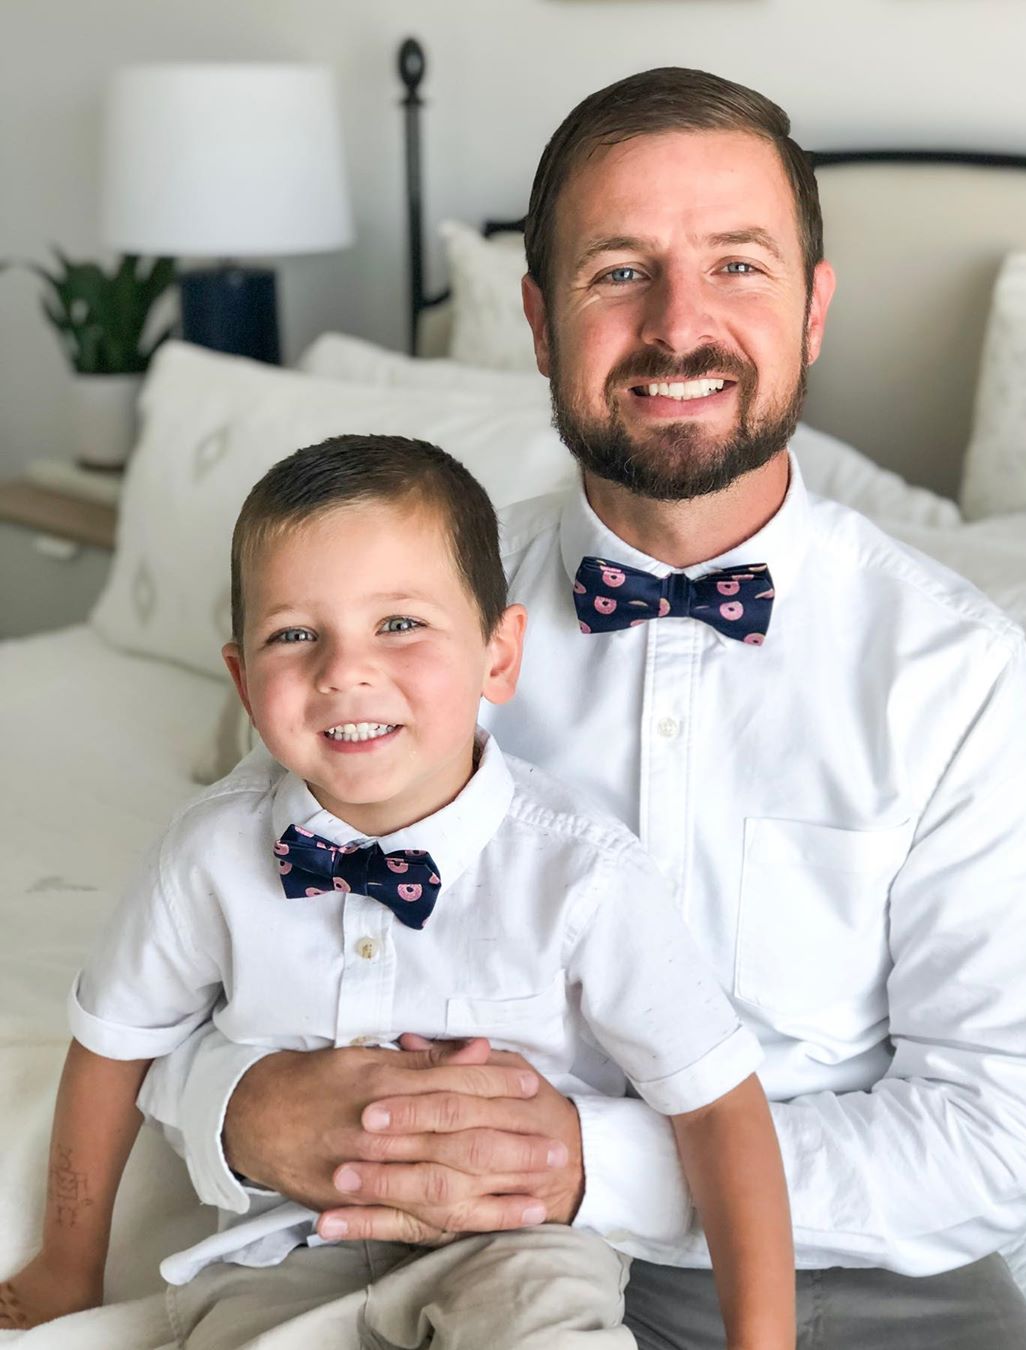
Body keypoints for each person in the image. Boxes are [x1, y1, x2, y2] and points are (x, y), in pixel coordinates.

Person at [135, 68, 1026, 1350]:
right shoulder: (388, 617)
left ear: (813, 310)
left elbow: (997, 1136)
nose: (678, 326)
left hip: (846, 1270)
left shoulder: (954, 673)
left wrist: (591, 1163)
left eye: (738, 265)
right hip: (424, 1257)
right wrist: (243, 1111)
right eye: (617, 271)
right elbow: (196, 961)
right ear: (537, 320)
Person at [0, 434, 796, 1349]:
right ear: (244, 684)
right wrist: (68, 1263)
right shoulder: (206, 857)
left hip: (521, 1249)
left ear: (499, 655)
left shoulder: (582, 873)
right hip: (281, 1251)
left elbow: (720, 1107)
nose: (344, 671)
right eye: (294, 635)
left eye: (400, 625)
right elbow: (110, 1047)